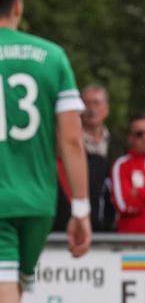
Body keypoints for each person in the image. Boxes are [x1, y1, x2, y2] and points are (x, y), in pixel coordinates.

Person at [0, 0, 92, 303]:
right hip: (37, 203)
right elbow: (72, 137)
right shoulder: (51, 56)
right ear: (18, 6)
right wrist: (80, 208)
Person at [53, 84, 118, 231]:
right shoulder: (65, 142)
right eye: (86, 103)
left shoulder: (117, 145)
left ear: (106, 109)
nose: (91, 108)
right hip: (68, 221)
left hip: (102, 226)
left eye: (96, 103)